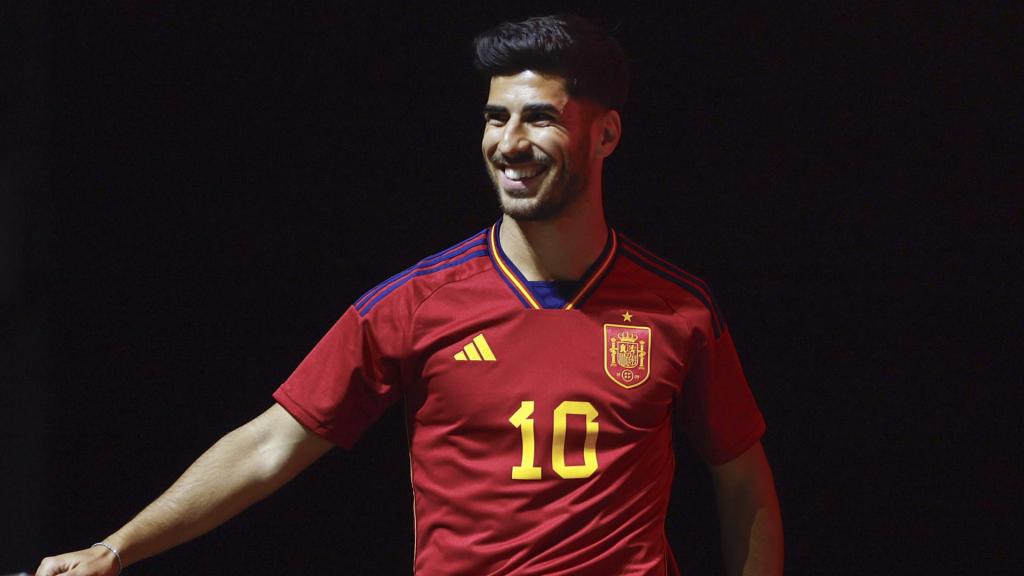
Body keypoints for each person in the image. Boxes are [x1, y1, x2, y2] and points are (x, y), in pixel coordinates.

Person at [37, 14, 783, 576]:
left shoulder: (679, 310)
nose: (510, 141)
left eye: (541, 117)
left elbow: (743, 481)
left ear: (606, 135)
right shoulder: (414, 303)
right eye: (496, 117)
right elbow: (270, 446)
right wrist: (116, 547)